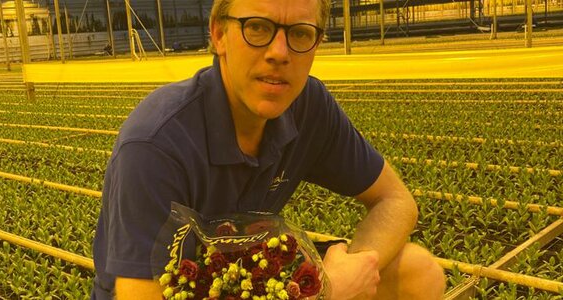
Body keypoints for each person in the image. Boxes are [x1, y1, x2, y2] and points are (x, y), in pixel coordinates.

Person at [91, 0, 446, 299]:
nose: (280, 53)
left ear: (317, 44)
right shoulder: (156, 143)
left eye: (300, 34)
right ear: (219, 34)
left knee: (418, 273)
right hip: (172, 291)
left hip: (249, 279)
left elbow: (395, 200)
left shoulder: (308, 107)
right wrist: (327, 292)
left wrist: (356, 268)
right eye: (258, 28)